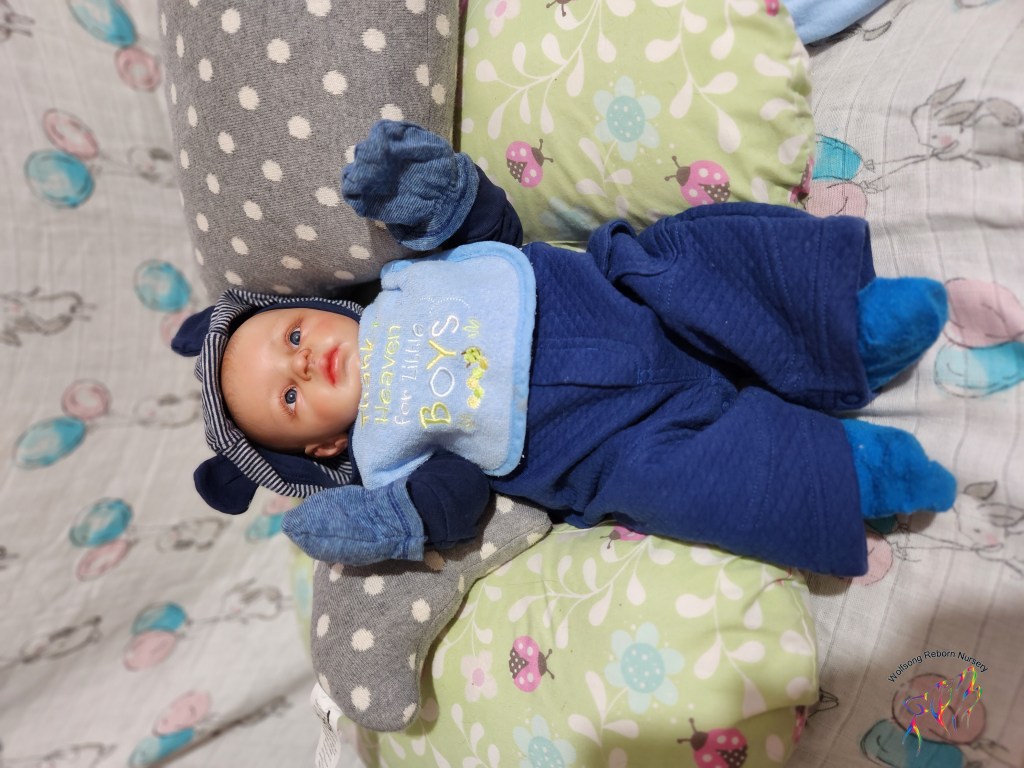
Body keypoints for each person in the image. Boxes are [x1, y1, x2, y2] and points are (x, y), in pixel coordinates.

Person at [173, 120, 956, 577]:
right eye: (289, 395)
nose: (303, 362)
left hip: (629, 303)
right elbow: (459, 500)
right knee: (706, 486)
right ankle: (852, 475)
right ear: (321, 445)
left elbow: (493, 234)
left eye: (293, 336)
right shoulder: (386, 452)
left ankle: (846, 333)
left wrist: (429, 188)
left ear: (314, 308)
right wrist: (393, 524)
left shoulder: (409, 281)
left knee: (695, 255)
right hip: (613, 446)